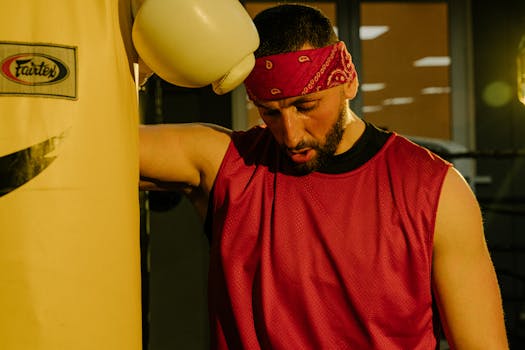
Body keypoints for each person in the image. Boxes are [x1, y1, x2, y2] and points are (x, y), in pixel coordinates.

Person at [139, 3, 508, 349]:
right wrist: (141, 59)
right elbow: (92, 146)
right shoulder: (229, 164)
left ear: (348, 78)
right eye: (269, 113)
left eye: (306, 106)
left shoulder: (435, 190)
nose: (291, 134)